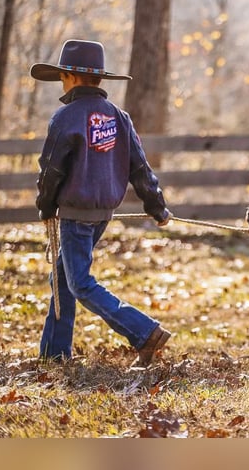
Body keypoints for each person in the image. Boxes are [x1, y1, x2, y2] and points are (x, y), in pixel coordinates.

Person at [32, 39, 172, 367]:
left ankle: (145, 332)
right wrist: (157, 206)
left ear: (70, 77)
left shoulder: (65, 117)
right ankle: (54, 354)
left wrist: (45, 206)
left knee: (79, 283)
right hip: (102, 214)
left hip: (75, 213)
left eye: (63, 77)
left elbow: (51, 168)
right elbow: (140, 167)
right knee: (63, 276)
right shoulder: (119, 118)